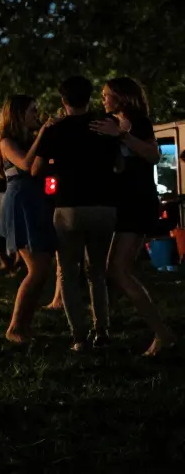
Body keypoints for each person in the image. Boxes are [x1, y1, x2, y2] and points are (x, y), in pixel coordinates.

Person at [34, 76, 121, 351]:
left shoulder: (55, 131)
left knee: (67, 273)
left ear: (63, 101)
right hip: (103, 207)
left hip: (67, 207)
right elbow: (119, 164)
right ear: (90, 98)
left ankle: (79, 336)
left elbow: (36, 169)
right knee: (97, 271)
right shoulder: (105, 126)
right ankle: (103, 330)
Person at [93, 77, 176, 356]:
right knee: (113, 269)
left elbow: (153, 156)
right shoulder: (108, 122)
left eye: (106, 94)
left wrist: (121, 136)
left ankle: (162, 333)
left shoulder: (138, 123)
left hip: (138, 201)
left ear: (121, 96)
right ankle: (108, 327)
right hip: (123, 201)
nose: (103, 99)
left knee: (117, 269)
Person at [0, 95, 56, 343]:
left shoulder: (27, 140)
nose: (37, 113)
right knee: (37, 269)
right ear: (18, 114)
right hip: (21, 201)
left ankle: (25, 326)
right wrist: (43, 133)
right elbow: (25, 163)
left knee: (42, 269)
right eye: (33, 110)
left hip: (35, 200)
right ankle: (15, 328)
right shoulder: (6, 142)